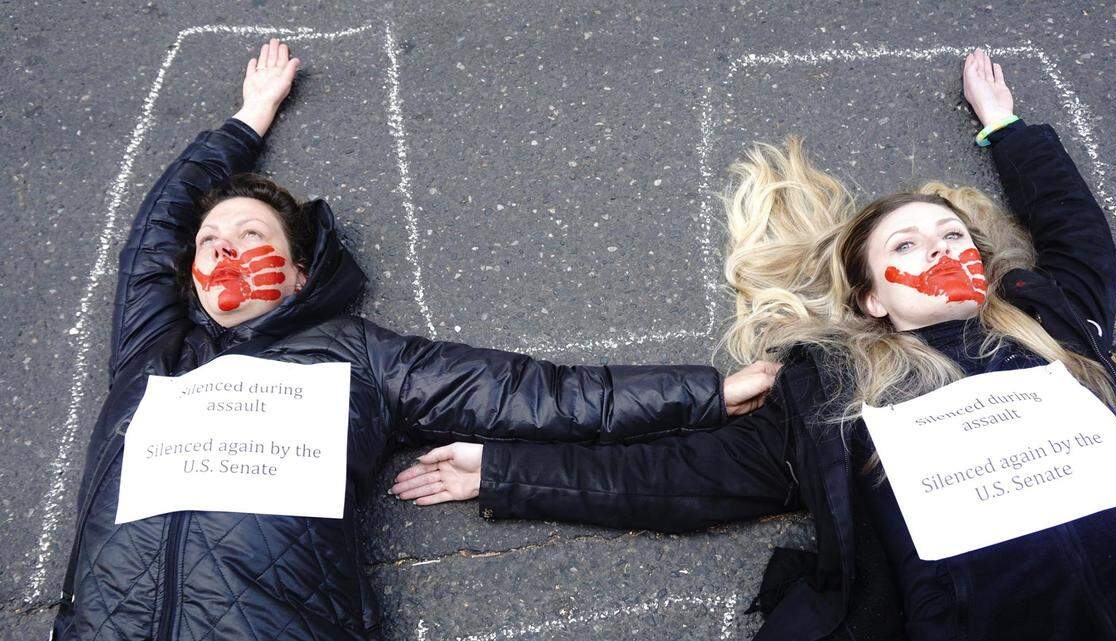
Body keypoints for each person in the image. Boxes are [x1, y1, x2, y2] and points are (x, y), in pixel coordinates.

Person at [392, 49, 1116, 640]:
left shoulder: (1052, 317)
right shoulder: (840, 394)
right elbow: (682, 476)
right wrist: (504, 471)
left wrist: (1005, 129)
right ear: (872, 297)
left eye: (952, 235)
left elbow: (1078, 233)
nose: (941, 249)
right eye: (906, 244)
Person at [49, 39, 780, 641]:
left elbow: (530, 394)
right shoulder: (155, 350)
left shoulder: (356, 357)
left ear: (300, 274)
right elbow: (158, 231)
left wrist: (704, 391)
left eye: (253, 236)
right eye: (212, 242)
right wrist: (248, 121)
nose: (227, 252)